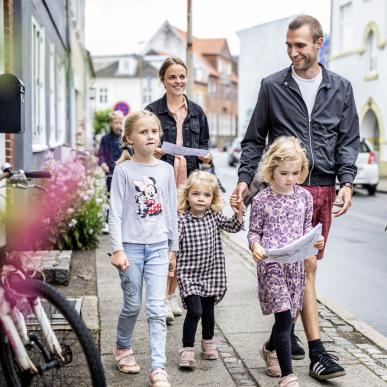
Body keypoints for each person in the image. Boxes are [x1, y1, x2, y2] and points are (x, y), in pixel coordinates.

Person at [233, 15, 359, 381]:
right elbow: (255, 139)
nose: (293, 52)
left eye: (300, 45)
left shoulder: (341, 88)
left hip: (321, 189)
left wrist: (347, 181)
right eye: (288, 45)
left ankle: (278, 341)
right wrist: (244, 179)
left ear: (319, 43)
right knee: (306, 269)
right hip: (285, 188)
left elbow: (348, 140)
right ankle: (317, 350)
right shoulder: (273, 86)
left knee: (306, 268)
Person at [109, 110, 178, 387]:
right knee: (132, 305)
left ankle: (158, 367)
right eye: (143, 132)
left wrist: (174, 247)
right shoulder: (123, 171)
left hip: (160, 247)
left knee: (156, 308)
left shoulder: (166, 170)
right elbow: (114, 213)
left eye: (154, 131)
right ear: (129, 138)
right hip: (131, 249)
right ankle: (122, 347)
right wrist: (117, 249)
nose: (150, 136)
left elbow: (172, 211)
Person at [248, 137, 324, 387]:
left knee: (289, 317)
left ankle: (270, 348)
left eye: (295, 172)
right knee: (283, 318)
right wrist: (255, 246)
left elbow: (306, 229)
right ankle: (288, 376)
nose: (290, 178)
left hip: (295, 266)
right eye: (284, 173)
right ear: (271, 171)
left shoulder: (304, 197)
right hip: (271, 265)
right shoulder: (261, 199)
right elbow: (253, 232)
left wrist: (316, 241)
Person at [145, 56, 212, 323]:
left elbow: (206, 146)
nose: (178, 81)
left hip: (190, 182)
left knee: (182, 241)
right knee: (163, 240)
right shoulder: (152, 111)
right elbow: (137, 145)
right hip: (162, 179)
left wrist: (208, 159)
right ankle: (160, 296)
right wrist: (153, 150)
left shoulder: (197, 111)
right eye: (172, 77)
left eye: (182, 76)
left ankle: (172, 295)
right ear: (163, 80)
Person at [175, 171, 244, 369]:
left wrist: (238, 212)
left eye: (206, 195)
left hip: (210, 272)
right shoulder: (182, 220)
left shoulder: (214, 217)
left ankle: (208, 343)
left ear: (212, 198)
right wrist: (170, 258)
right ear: (187, 195)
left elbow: (233, 226)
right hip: (188, 275)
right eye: (196, 194)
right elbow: (173, 244)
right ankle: (187, 349)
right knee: (195, 311)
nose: (201, 199)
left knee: (209, 311)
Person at [98, 110, 125, 233]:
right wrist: (103, 163)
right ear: (110, 123)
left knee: (124, 197)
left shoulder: (125, 138)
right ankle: (108, 222)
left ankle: (124, 222)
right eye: (115, 122)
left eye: (120, 122)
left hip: (123, 172)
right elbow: (101, 154)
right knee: (110, 198)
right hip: (110, 173)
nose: (118, 125)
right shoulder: (105, 139)